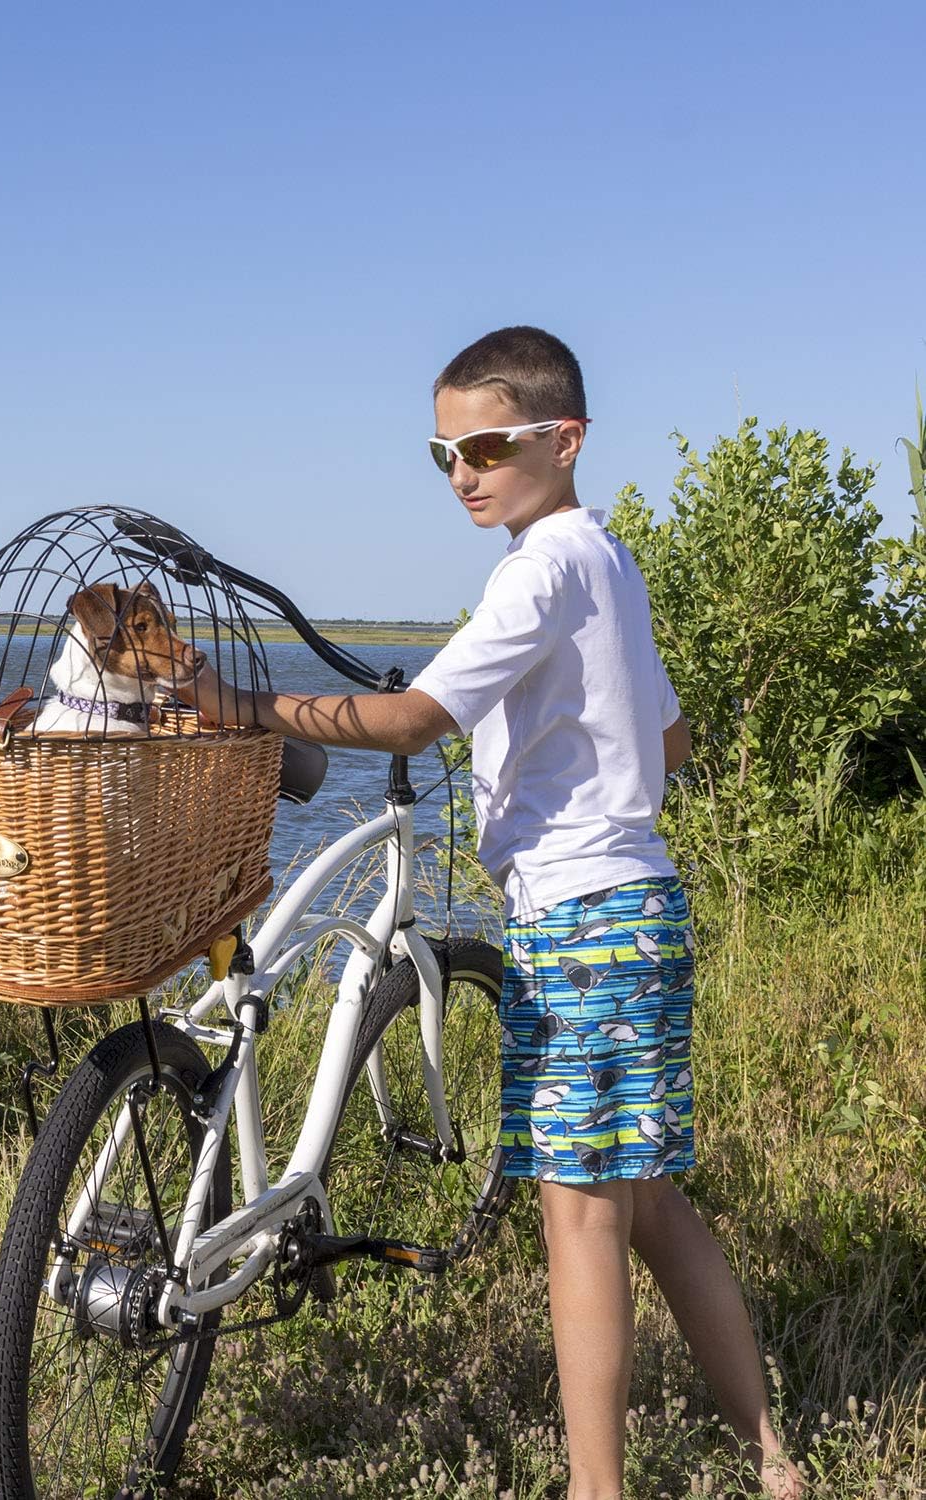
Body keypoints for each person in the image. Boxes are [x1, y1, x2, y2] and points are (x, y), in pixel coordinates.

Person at [181, 326, 803, 1499]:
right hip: (636, 905)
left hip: (580, 922)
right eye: (443, 453)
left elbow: (414, 722)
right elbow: (669, 738)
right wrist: (565, 755)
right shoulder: (605, 562)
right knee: (649, 1206)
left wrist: (237, 702)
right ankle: (772, 1459)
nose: (462, 472)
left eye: (487, 446)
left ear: (564, 439)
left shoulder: (540, 569)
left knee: (581, 1223)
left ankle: (595, 1490)